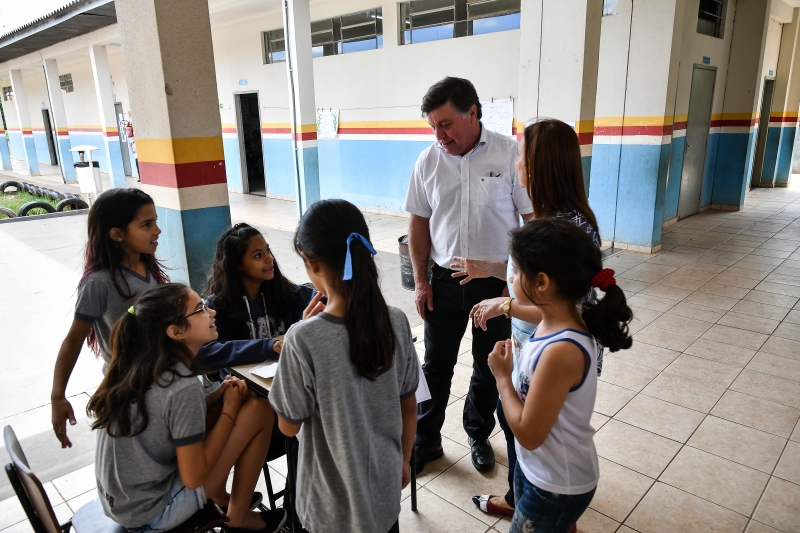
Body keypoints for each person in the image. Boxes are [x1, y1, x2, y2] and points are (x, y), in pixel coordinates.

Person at [452, 119, 603, 518]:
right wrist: (492, 271)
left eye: (522, 156)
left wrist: (504, 305)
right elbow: (533, 280)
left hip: (552, 349)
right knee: (518, 417)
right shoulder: (549, 218)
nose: (516, 163)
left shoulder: (570, 228)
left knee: (529, 424)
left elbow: (566, 307)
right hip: (535, 342)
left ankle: (535, 505)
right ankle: (524, 499)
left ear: (536, 167)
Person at [403, 76, 533, 474]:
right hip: (442, 282)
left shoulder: (509, 156)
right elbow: (419, 223)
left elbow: (530, 222)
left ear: (472, 113)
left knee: (487, 366)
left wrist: (520, 284)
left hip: (494, 286)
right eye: (432, 127)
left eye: (445, 124)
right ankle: (427, 440)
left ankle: (478, 433)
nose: (439, 135)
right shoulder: (428, 161)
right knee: (435, 365)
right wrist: (422, 281)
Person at [269, 199, 419, 533]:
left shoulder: (303, 339)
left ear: (312, 263)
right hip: (382, 496)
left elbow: (288, 426)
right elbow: (409, 406)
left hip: (327, 510)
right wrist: (404, 459)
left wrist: (295, 347)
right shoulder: (396, 321)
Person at [87, 283, 286, 532]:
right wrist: (228, 411)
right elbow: (194, 477)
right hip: (154, 513)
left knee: (247, 406)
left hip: (123, 503)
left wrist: (214, 401)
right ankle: (238, 515)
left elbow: (165, 419)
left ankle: (228, 501)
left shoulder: (139, 365)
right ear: (176, 331)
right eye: (201, 309)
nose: (212, 312)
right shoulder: (181, 384)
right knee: (259, 411)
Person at [488, 218, 632, 533]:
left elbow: (528, 434)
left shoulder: (562, 349)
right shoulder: (555, 318)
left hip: (555, 485)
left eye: (517, 272)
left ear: (541, 282)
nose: (512, 279)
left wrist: (502, 378)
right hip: (538, 468)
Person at [51, 188, 168, 448]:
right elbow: (73, 340)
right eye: (146, 224)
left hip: (159, 376)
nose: (157, 230)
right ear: (117, 234)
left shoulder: (147, 267)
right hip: (129, 390)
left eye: (156, 222)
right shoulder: (99, 283)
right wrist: (58, 395)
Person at [196, 223, 323, 372]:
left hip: (283, 377)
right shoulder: (217, 306)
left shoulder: (285, 292)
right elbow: (204, 352)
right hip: (242, 386)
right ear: (237, 264)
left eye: (267, 250)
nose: (269, 258)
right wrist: (267, 347)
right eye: (258, 255)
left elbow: (327, 301)